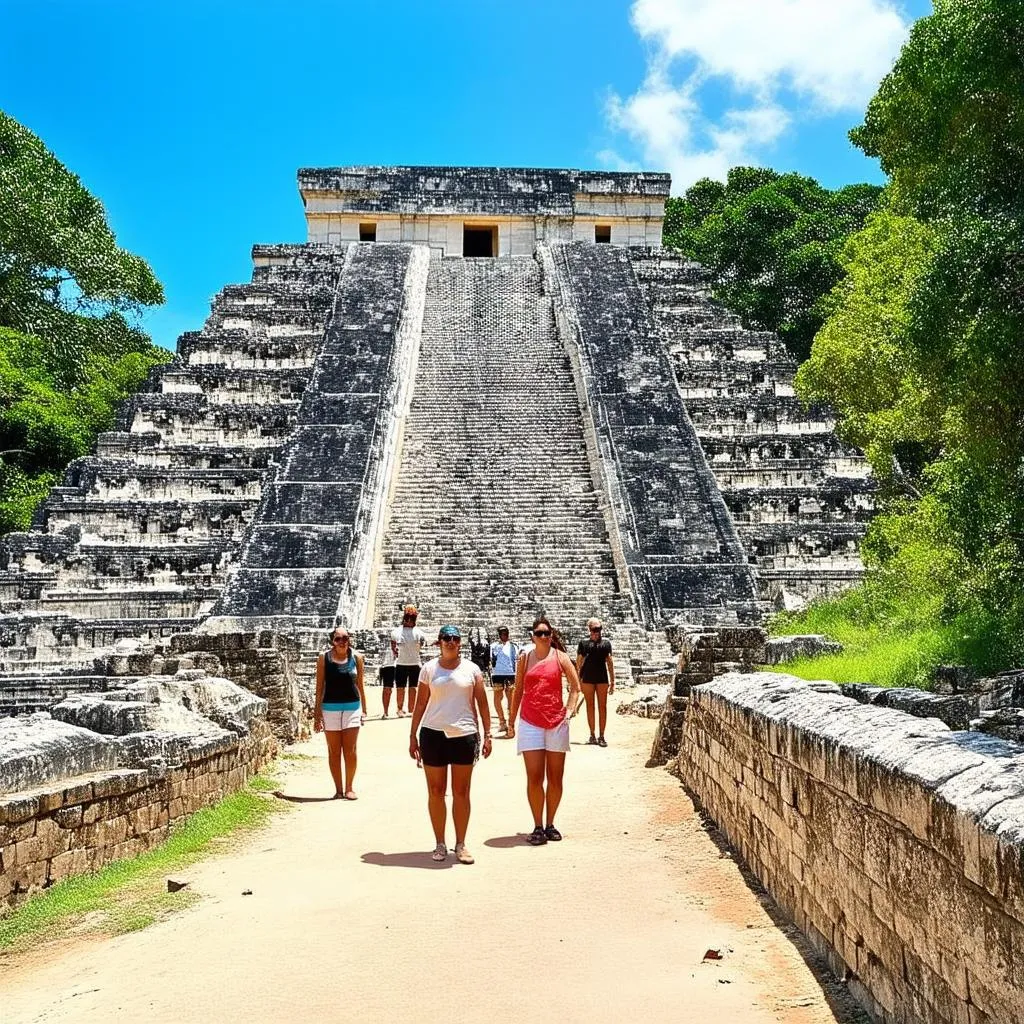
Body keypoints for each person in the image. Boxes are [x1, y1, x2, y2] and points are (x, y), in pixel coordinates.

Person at [409, 625, 492, 864]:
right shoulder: (428, 669)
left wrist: (488, 735)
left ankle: (461, 843)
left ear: (460, 643)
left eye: (455, 638)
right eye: (446, 638)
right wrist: (412, 735)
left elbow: (483, 704)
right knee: (436, 792)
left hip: (464, 734)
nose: (451, 642)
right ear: (439, 642)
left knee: (461, 792)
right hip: (433, 734)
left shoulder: (472, 669)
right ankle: (440, 843)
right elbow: (421, 704)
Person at [508, 615, 581, 845]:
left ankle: (550, 823)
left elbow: (575, 688)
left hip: (556, 722)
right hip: (530, 721)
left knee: (556, 777)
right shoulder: (524, 659)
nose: (543, 637)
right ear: (532, 636)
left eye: (546, 633)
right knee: (535, 777)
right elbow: (518, 690)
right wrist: (510, 721)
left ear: (551, 636)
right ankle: (538, 825)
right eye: (538, 633)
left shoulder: (560, 657)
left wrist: (568, 712)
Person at [313, 627, 367, 799]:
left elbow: (360, 684)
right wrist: (317, 714)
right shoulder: (324, 658)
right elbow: (320, 686)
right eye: (338, 639)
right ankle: (338, 789)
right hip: (330, 708)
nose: (342, 642)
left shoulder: (357, 657)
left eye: (345, 638)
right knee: (334, 751)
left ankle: (349, 787)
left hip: (352, 707)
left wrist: (364, 709)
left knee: (350, 750)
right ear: (332, 641)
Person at [576, 618, 615, 747]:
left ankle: (602, 735)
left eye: (598, 629)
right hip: (587, 678)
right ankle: (592, 735)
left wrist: (613, 681)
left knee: (602, 707)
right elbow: (578, 663)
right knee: (590, 706)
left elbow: (610, 663)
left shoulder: (606, 644)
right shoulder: (583, 644)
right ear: (589, 630)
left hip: (602, 678)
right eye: (594, 629)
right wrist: (576, 680)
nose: (596, 632)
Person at [390, 604, 427, 717]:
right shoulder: (396, 632)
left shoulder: (419, 633)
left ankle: (411, 709)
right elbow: (393, 647)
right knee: (400, 688)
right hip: (401, 663)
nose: (410, 620)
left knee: (413, 687)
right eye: (408, 617)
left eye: (412, 617)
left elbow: (422, 645)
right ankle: (400, 709)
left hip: (414, 663)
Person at [489, 625, 519, 734]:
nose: (503, 636)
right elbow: (490, 659)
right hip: (497, 673)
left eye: (505, 634)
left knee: (510, 698)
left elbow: (517, 661)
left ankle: (511, 722)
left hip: (510, 673)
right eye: (501, 634)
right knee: (498, 697)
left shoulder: (514, 646)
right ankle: (502, 721)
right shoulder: (493, 646)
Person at [378, 628, 396, 718]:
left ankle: (401, 710)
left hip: (402, 663)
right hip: (388, 665)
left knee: (403, 689)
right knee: (387, 689)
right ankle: (385, 711)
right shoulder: (387, 640)